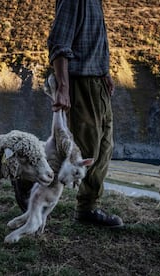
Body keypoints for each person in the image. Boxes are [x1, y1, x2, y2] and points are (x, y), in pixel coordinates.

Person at [47, 0, 123, 227]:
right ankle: (84, 208)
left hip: (97, 80)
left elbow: (94, 38)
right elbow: (59, 43)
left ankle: (89, 206)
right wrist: (63, 87)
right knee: (88, 149)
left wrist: (105, 71)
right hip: (82, 83)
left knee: (104, 147)